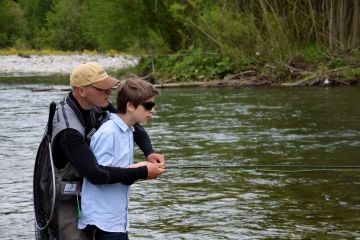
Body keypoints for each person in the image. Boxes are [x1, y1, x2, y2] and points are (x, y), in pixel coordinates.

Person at [42, 62, 165, 240]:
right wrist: (143, 171)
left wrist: (149, 152)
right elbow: (96, 174)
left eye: (109, 87)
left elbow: (131, 123)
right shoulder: (68, 131)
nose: (109, 92)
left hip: (89, 191)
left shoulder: (96, 102)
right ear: (81, 90)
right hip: (64, 195)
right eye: (102, 88)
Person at [79, 78, 161, 240]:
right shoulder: (109, 133)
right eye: (148, 105)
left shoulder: (128, 131)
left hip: (116, 222)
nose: (153, 110)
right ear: (130, 106)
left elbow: (121, 175)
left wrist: (145, 169)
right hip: (102, 224)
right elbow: (100, 175)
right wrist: (142, 170)